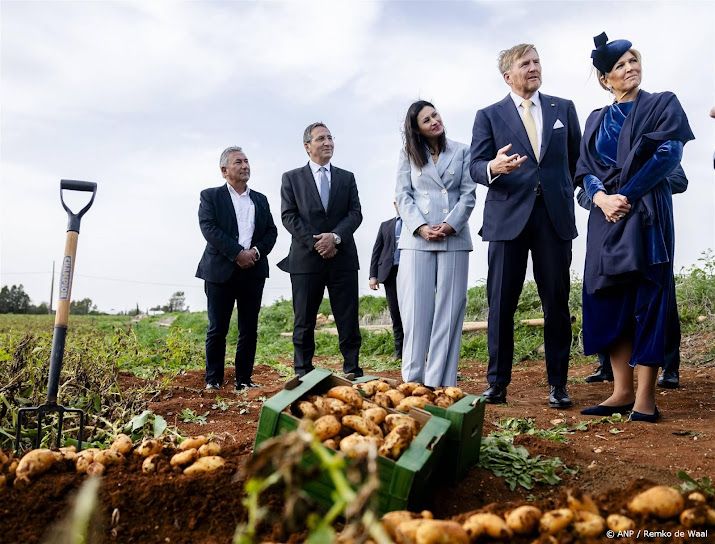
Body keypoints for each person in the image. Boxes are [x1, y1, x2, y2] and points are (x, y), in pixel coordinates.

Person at [576, 33, 694, 422]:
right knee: (609, 297)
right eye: (620, 65)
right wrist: (602, 199)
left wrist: (624, 194)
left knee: (649, 296)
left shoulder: (662, 104)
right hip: (605, 217)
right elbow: (585, 172)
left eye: (633, 60)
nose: (630, 68)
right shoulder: (595, 119)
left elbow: (668, 154)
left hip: (646, 212)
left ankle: (645, 398)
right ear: (605, 78)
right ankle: (621, 390)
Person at [469, 44, 581, 407]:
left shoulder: (563, 108)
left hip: (554, 218)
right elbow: (474, 166)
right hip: (507, 220)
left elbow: (576, 161)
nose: (534, 67)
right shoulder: (488, 115)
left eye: (537, 61)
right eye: (525, 63)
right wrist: (492, 168)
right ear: (508, 76)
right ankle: (497, 384)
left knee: (556, 304)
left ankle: (559, 385)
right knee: (501, 304)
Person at [577, 165, 688, 387]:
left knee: (661, 301)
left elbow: (679, 180)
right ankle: (606, 366)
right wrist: (606, 201)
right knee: (609, 298)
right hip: (612, 231)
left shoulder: (654, 151)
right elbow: (582, 193)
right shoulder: (600, 158)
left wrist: (639, 191)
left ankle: (669, 367)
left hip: (650, 232)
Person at [395, 100, 476, 387]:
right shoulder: (408, 154)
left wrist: (451, 224)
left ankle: (440, 383)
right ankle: (413, 383)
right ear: (417, 129)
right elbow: (403, 195)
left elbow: (468, 194)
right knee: (416, 312)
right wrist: (420, 227)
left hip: (454, 237)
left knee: (450, 311)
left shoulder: (463, 150)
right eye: (426, 120)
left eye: (435, 114)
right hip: (417, 240)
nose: (434, 121)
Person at [278, 122, 364, 378]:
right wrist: (317, 242)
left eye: (330, 137)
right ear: (307, 146)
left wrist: (335, 238)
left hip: (343, 257)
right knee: (304, 319)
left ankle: (352, 369)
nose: (327, 142)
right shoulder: (291, 178)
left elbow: (355, 213)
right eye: (320, 139)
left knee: (348, 318)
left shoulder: (346, 178)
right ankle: (303, 371)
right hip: (306, 259)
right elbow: (288, 216)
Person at [196, 146, 278, 391]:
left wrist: (254, 252)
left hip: (253, 271)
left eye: (246, 161)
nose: (245, 166)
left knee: (248, 329)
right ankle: (213, 380)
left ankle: (243, 380)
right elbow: (209, 228)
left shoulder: (260, 199)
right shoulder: (210, 196)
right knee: (217, 328)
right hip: (220, 271)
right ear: (224, 170)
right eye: (238, 162)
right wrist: (236, 253)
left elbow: (271, 232)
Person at [369, 202, 404, 360]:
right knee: (395, 314)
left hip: (409, 273)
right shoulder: (385, 225)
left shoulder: (416, 224)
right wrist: (373, 276)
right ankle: (399, 351)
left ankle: (416, 352)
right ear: (395, 204)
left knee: (411, 314)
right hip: (389, 274)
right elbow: (377, 250)